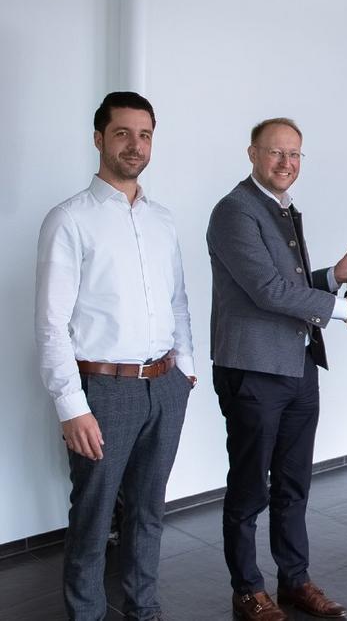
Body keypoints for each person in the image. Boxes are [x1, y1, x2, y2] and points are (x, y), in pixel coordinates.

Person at [35, 91, 195, 620]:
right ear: (99, 138)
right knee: (93, 516)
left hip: (165, 386)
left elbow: (178, 302)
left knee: (148, 512)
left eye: (144, 135)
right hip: (103, 391)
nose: (135, 145)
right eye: (122, 133)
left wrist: (186, 372)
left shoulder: (162, 220)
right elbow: (51, 323)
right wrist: (71, 406)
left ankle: (143, 610)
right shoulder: (69, 219)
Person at [207, 117, 347, 621]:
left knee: (294, 483)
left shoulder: (283, 208)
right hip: (253, 369)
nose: (286, 162)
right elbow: (268, 291)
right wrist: (343, 309)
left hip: (298, 365)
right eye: (276, 152)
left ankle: (294, 580)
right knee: (250, 486)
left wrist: (334, 276)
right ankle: (247, 589)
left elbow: (289, 284)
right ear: (252, 154)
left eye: (294, 154)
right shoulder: (234, 210)